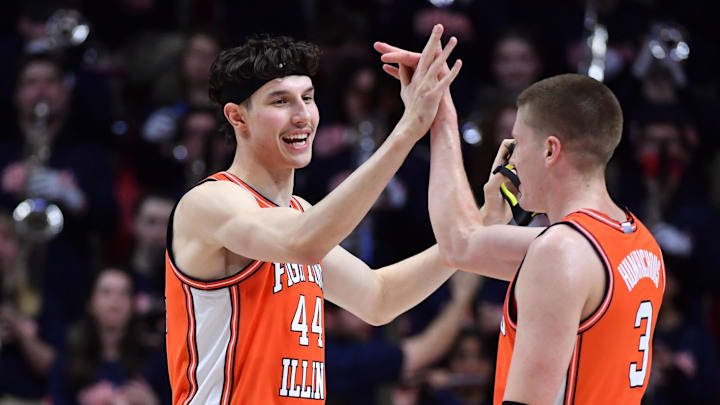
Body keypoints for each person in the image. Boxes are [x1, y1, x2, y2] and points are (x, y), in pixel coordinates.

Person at [165, 26, 472, 404]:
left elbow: (378, 299)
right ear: (237, 117)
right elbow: (301, 243)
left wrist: (466, 241)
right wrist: (408, 129)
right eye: (280, 102)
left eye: (307, 98)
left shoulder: (300, 214)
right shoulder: (209, 202)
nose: (302, 116)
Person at [375, 44, 666, 404]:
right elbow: (460, 244)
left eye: (518, 142)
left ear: (549, 151)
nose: (510, 155)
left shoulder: (560, 252)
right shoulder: (639, 241)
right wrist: (439, 111)